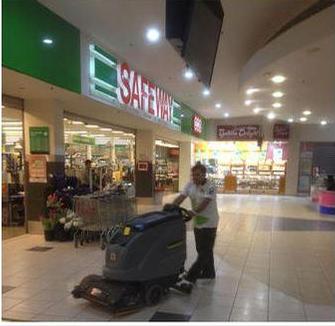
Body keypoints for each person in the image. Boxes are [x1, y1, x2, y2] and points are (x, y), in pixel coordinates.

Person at [173, 162, 219, 286]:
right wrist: (171, 207)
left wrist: (193, 212)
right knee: (202, 249)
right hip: (198, 222)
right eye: (193, 175)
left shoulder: (211, 186)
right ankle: (209, 273)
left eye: (198, 175)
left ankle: (191, 276)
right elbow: (181, 197)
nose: (195, 178)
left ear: (204, 175)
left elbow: (205, 202)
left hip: (210, 222)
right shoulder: (190, 185)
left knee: (205, 251)